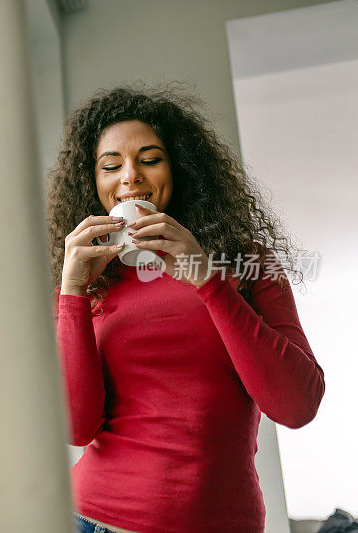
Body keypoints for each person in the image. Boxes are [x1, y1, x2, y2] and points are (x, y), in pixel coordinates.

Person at [45, 83, 326, 533]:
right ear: (93, 183)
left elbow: (297, 405)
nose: (130, 176)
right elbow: (76, 428)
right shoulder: (90, 281)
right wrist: (72, 292)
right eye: (110, 166)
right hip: (95, 520)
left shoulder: (245, 262)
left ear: (179, 169)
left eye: (150, 160)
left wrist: (207, 278)